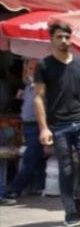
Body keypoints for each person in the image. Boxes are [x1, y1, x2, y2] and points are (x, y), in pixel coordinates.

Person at [34, 21, 80, 227]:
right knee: (65, 169)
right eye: (59, 37)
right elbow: (38, 97)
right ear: (51, 39)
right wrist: (44, 127)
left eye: (67, 37)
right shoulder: (44, 65)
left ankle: (79, 194)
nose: (64, 41)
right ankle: (71, 211)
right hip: (58, 125)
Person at [6, 59, 47, 200]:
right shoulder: (28, 85)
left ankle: (15, 188)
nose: (31, 71)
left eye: (33, 68)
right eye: (29, 68)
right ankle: (42, 186)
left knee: (30, 157)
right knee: (37, 156)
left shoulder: (40, 85)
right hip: (28, 124)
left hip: (37, 124)